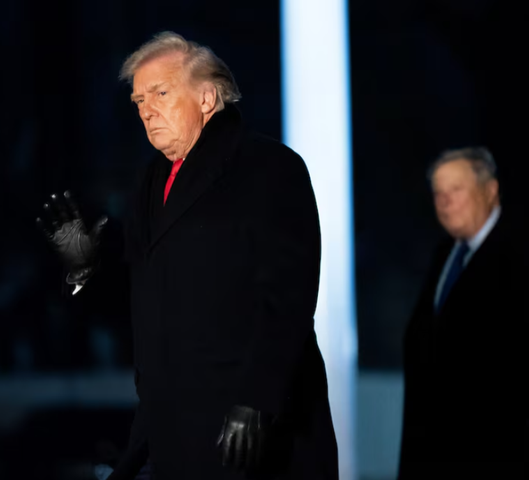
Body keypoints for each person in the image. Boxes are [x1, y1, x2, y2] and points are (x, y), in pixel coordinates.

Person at [36, 32, 338, 480]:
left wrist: (256, 399)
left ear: (207, 97)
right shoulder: (151, 181)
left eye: (160, 93)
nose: (146, 110)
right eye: (139, 101)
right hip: (168, 428)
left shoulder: (269, 166)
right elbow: (139, 298)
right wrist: (84, 269)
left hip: (249, 431)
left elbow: (288, 298)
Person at [398, 147, 529, 480]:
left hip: (509, 457)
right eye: (438, 193)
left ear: (490, 190)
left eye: (456, 189)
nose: (445, 202)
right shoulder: (446, 254)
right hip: (440, 453)